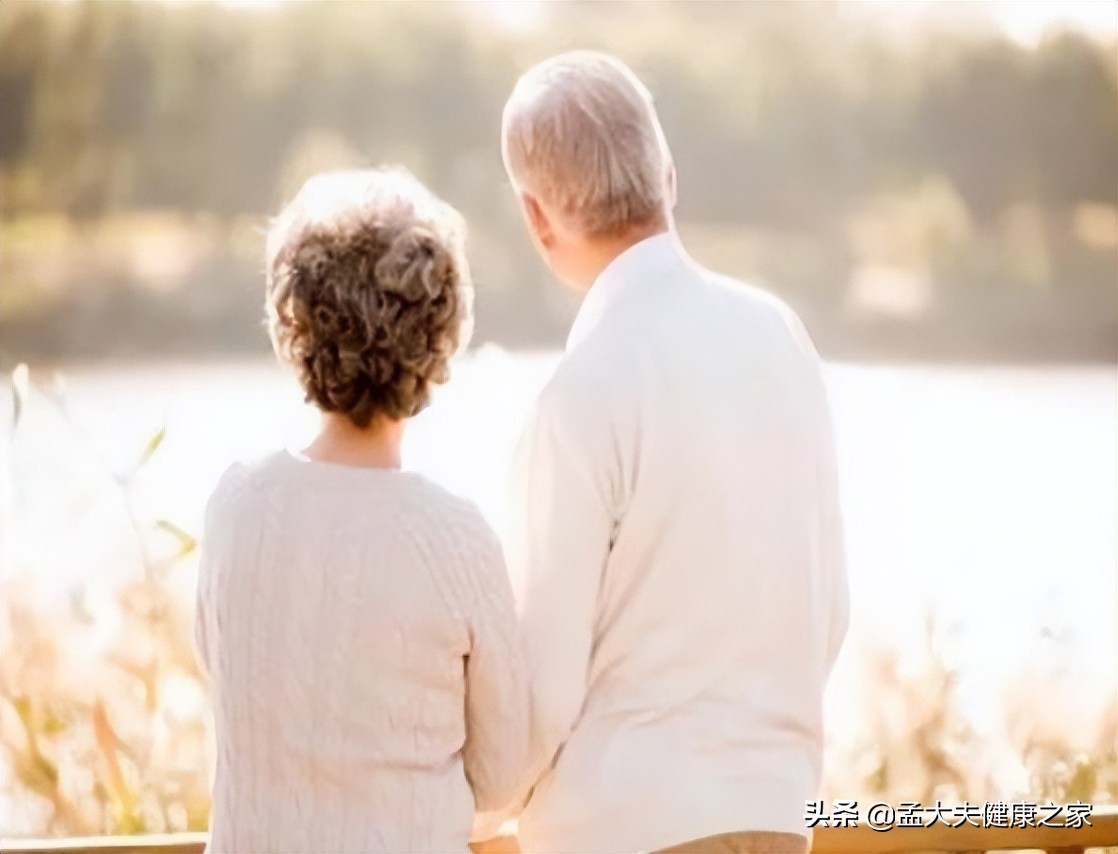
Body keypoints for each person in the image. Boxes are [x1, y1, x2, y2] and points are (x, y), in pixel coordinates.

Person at [501, 51, 849, 854]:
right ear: (668, 175)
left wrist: (476, 806)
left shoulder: (580, 393)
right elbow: (829, 609)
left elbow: (540, 695)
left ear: (536, 217)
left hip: (627, 829)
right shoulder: (781, 338)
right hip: (775, 816)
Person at [194, 168, 529, 853]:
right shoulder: (455, 540)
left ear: (295, 321)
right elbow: (501, 779)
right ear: (440, 337)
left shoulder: (237, 507)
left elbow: (224, 683)